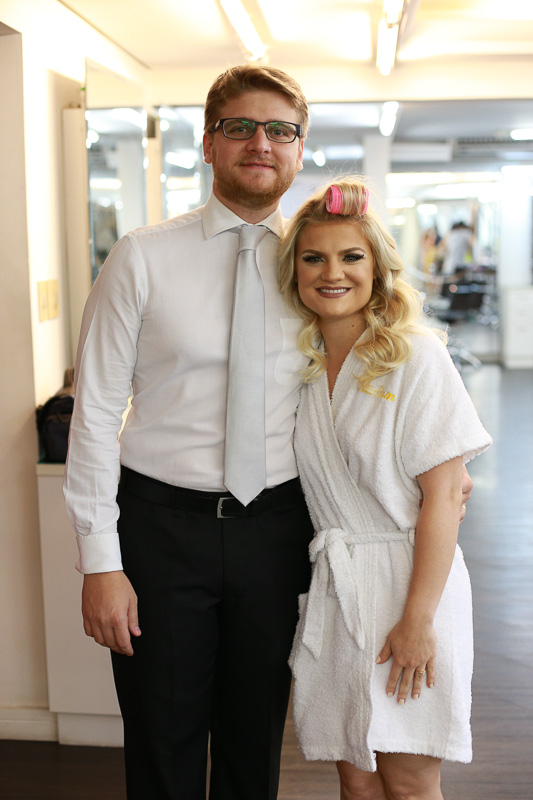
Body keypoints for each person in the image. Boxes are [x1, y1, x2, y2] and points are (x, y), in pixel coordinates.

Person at [64, 66, 473, 800]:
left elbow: (384, 377)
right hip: (162, 532)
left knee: (255, 743)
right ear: (209, 143)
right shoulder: (142, 257)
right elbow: (93, 413)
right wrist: (100, 561)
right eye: (241, 127)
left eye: (280, 130)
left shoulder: (312, 266)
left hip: (279, 535)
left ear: (298, 148)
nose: (261, 143)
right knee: (162, 737)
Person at [279, 177, 491, 800]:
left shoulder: (415, 357)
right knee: (357, 777)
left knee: (409, 781)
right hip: (340, 587)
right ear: (294, 271)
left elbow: (444, 497)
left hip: (410, 582)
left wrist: (418, 621)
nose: (332, 273)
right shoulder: (298, 366)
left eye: (351, 256)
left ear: (377, 267)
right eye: (313, 258)